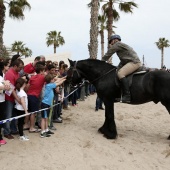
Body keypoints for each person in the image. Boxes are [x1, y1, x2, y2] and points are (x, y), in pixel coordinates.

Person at [102, 34, 142, 103]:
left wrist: (100, 62)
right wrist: (117, 67)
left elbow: (108, 54)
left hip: (134, 62)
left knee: (121, 73)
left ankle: (127, 96)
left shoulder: (117, 44)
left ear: (115, 40)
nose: (111, 44)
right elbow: (123, 60)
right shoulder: (120, 46)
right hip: (129, 62)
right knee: (117, 71)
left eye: (111, 41)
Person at [3, 59, 24, 140]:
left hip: (14, 98)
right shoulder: (10, 74)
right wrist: (18, 99)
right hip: (9, 98)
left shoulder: (17, 73)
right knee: (8, 115)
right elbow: (11, 89)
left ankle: (13, 129)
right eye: (20, 67)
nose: (21, 69)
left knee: (14, 115)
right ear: (15, 66)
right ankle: (6, 132)